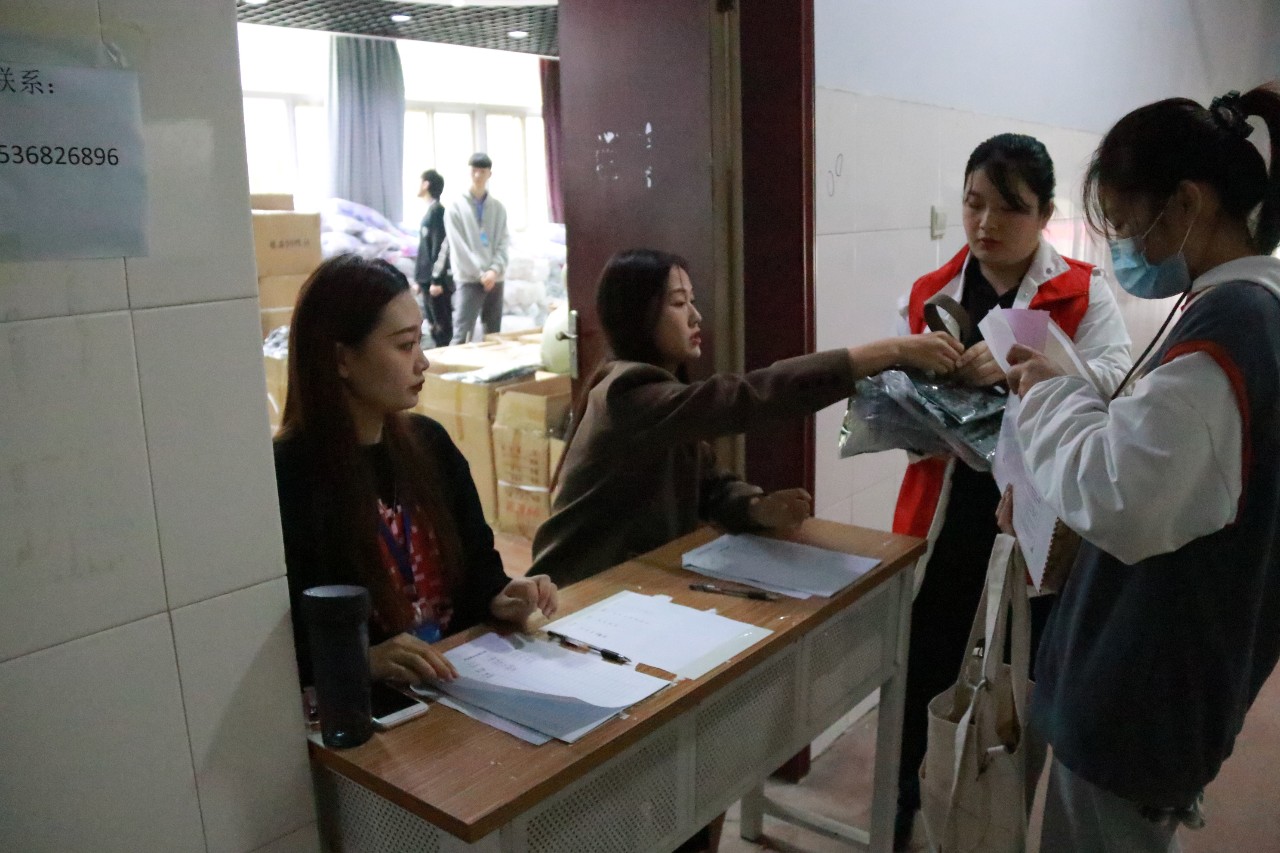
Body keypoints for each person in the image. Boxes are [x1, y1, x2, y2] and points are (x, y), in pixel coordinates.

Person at [1003, 85, 1280, 853]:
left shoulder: (1236, 323)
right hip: (1140, 663)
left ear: (1187, 204)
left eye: (1127, 226)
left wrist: (1048, 392)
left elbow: (1124, 494)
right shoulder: (1228, 310)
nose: (1123, 248)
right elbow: (1162, 452)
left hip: (1145, 680)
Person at [889, 133, 1132, 849]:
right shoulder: (930, 292)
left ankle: (992, 827)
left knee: (1018, 686)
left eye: (1010, 208)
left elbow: (1118, 380)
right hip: (944, 515)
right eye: (973, 203)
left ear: (1045, 214)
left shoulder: (1081, 291)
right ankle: (908, 816)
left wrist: (1028, 363)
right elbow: (904, 405)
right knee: (923, 675)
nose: (985, 223)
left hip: (1034, 521)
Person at [530, 247, 965, 588]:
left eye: (692, 300)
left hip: (629, 583)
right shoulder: (626, 393)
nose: (696, 316)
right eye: (679, 303)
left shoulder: (657, 389)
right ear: (637, 316)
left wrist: (756, 508)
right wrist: (887, 351)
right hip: (576, 593)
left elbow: (708, 485)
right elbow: (747, 397)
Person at [274, 253, 558, 689]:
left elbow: (480, 570)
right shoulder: (288, 476)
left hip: (459, 678)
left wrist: (502, 596)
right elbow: (286, 644)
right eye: (405, 345)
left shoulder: (430, 446)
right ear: (341, 359)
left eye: (419, 342)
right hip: (373, 707)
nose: (422, 362)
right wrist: (362, 658)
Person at [446, 152, 510, 344]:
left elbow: (503, 242)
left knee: (493, 335)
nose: (477, 175)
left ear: (489, 174)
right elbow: (459, 247)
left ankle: (493, 365)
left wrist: (494, 270)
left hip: (495, 278)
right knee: (462, 334)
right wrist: (480, 274)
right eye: (474, 171)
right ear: (469, 172)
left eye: (482, 171)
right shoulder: (455, 208)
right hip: (469, 278)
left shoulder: (498, 208)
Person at [415, 168, 454, 348]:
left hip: (436, 283)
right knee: (432, 327)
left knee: (442, 329)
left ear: (426, 184)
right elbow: (425, 250)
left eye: (420, 182)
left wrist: (436, 280)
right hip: (427, 282)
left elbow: (441, 248)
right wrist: (419, 279)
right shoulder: (428, 212)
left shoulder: (438, 212)